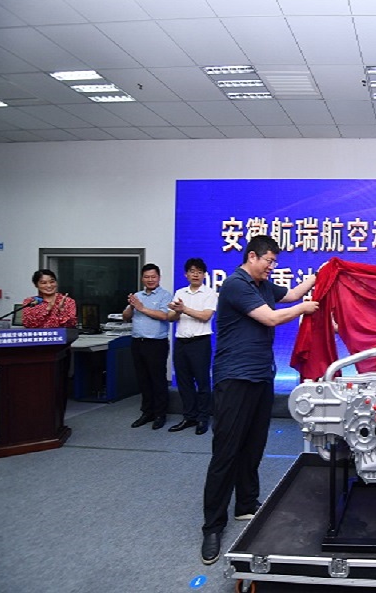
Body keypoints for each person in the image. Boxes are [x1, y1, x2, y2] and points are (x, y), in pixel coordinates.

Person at [200, 235, 319, 565]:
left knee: (253, 446)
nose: (272, 267)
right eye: (269, 261)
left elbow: (291, 294)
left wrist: (319, 275)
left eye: (274, 262)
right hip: (234, 378)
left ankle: (246, 504)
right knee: (226, 451)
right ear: (252, 256)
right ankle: (212, 526)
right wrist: (303, 309)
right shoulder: (236, 285)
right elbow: (271, 318)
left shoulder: (263, 285)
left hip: (261, 376)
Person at [167, 258, 217, 436]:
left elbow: (205, 316)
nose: (195, 275)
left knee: (202, 382)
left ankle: (203, 418)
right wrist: (175, 311)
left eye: (199, 272)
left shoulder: (210, 293)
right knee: (184, 382)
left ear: (204, 275)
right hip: (181, 342)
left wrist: (184, 309)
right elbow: (171, 317)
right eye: (192, 271)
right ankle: (189, 416)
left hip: (200, 342)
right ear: (186, 274)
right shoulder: (180, 292)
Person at [123, 263, 173, 431]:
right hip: (138, 342)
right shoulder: (137, 296)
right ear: (142, 278)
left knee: (158, 379)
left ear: (159, 278)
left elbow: (165, 316)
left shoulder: (165, 295)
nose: (150, 280)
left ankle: (160, 414)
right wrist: (132, 306)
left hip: (156, 343)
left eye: (153, 277)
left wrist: (142, 308)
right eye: (147, 277)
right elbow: (125, 317)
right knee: (143, 379)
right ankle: (147, 412)